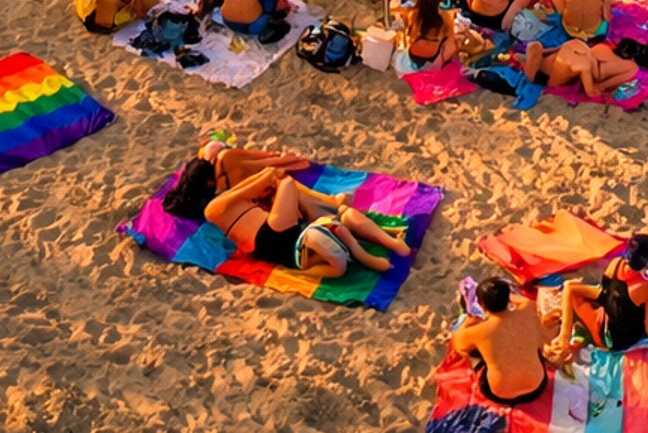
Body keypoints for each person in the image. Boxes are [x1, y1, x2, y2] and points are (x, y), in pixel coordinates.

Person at [204, 166, 408, 277]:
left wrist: (268, 175)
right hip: (271, 233)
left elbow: (250, 187)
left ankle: (373, 249)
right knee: (287, 183)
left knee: (342, 221)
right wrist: (269, 174)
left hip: (277, 245)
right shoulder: (213, 208)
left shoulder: (223, 208)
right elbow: (258, 184)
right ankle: (363, 252)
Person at [454, 278, 550, 407]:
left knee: (476, 352)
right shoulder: (529, 309)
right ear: (509, 299)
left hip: (499, 395)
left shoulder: (477, 332)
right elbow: (525, 301)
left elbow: (459, 345)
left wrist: (471, 316)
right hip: (537, 387)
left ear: (481, 305)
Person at [520, 36, 639, 100]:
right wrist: (607, 92)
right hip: (548, 74)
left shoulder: (576, 44)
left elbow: (552, 50)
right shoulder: (583, 64)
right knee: (537, 48)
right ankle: (531, 74)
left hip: (546, 66)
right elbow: (591, 91)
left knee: (535, 46)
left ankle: (530, 68)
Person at [402, 0, 459, 68]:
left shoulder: (413, 15)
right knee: (456, 42)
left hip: (414, 54)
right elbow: (450, 36)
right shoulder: (445, 15)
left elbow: (409, 36)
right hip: (435, 56)